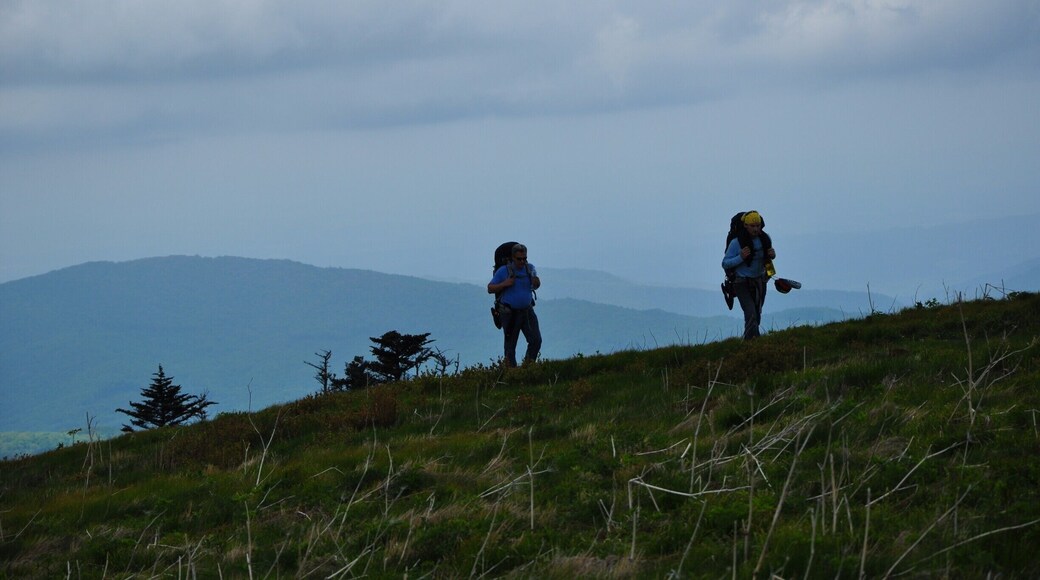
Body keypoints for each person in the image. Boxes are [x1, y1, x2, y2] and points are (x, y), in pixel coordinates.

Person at [721, 211, 776, 340]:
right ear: (745, 226)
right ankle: (751, 341)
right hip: (741, 282)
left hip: (760, 280)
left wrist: (771, 270)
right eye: (753, 226)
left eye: (758, 226)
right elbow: (725, 263)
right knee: (750, 312)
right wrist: (740, 257)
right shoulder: (736, 243)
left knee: (757, 312)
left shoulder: (765, 239)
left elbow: (767, 260)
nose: (756, 229)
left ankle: (752, 341)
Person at [487, 243, 542, 367]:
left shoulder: (530, 269)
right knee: (510, 347)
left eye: (524, 258)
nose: (522, 261)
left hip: (527, 311)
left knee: (536, 340)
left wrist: (536, 282)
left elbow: (536, 285)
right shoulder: (503, 271)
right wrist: (505, 283)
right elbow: (490, 288)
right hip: (509, 313)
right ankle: (512, 373)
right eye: (519, 259)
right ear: (512, 258)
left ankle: (528, 368)